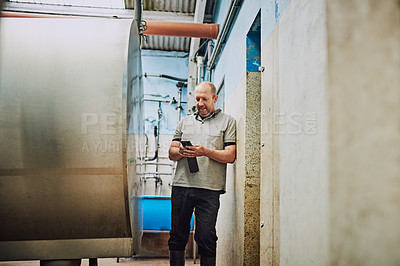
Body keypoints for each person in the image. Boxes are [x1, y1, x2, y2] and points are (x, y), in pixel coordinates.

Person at [168, 81, 236, 266]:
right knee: (177, 236)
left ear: (214, 98)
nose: (200, 103)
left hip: (210, 190)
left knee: (206, 237)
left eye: (204, 99)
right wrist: (180, 151)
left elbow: (230, 155)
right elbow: (171, 153)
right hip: (182, 187)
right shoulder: (184, 121)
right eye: (197, 99)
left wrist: (205, 151)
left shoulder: (228, 122)